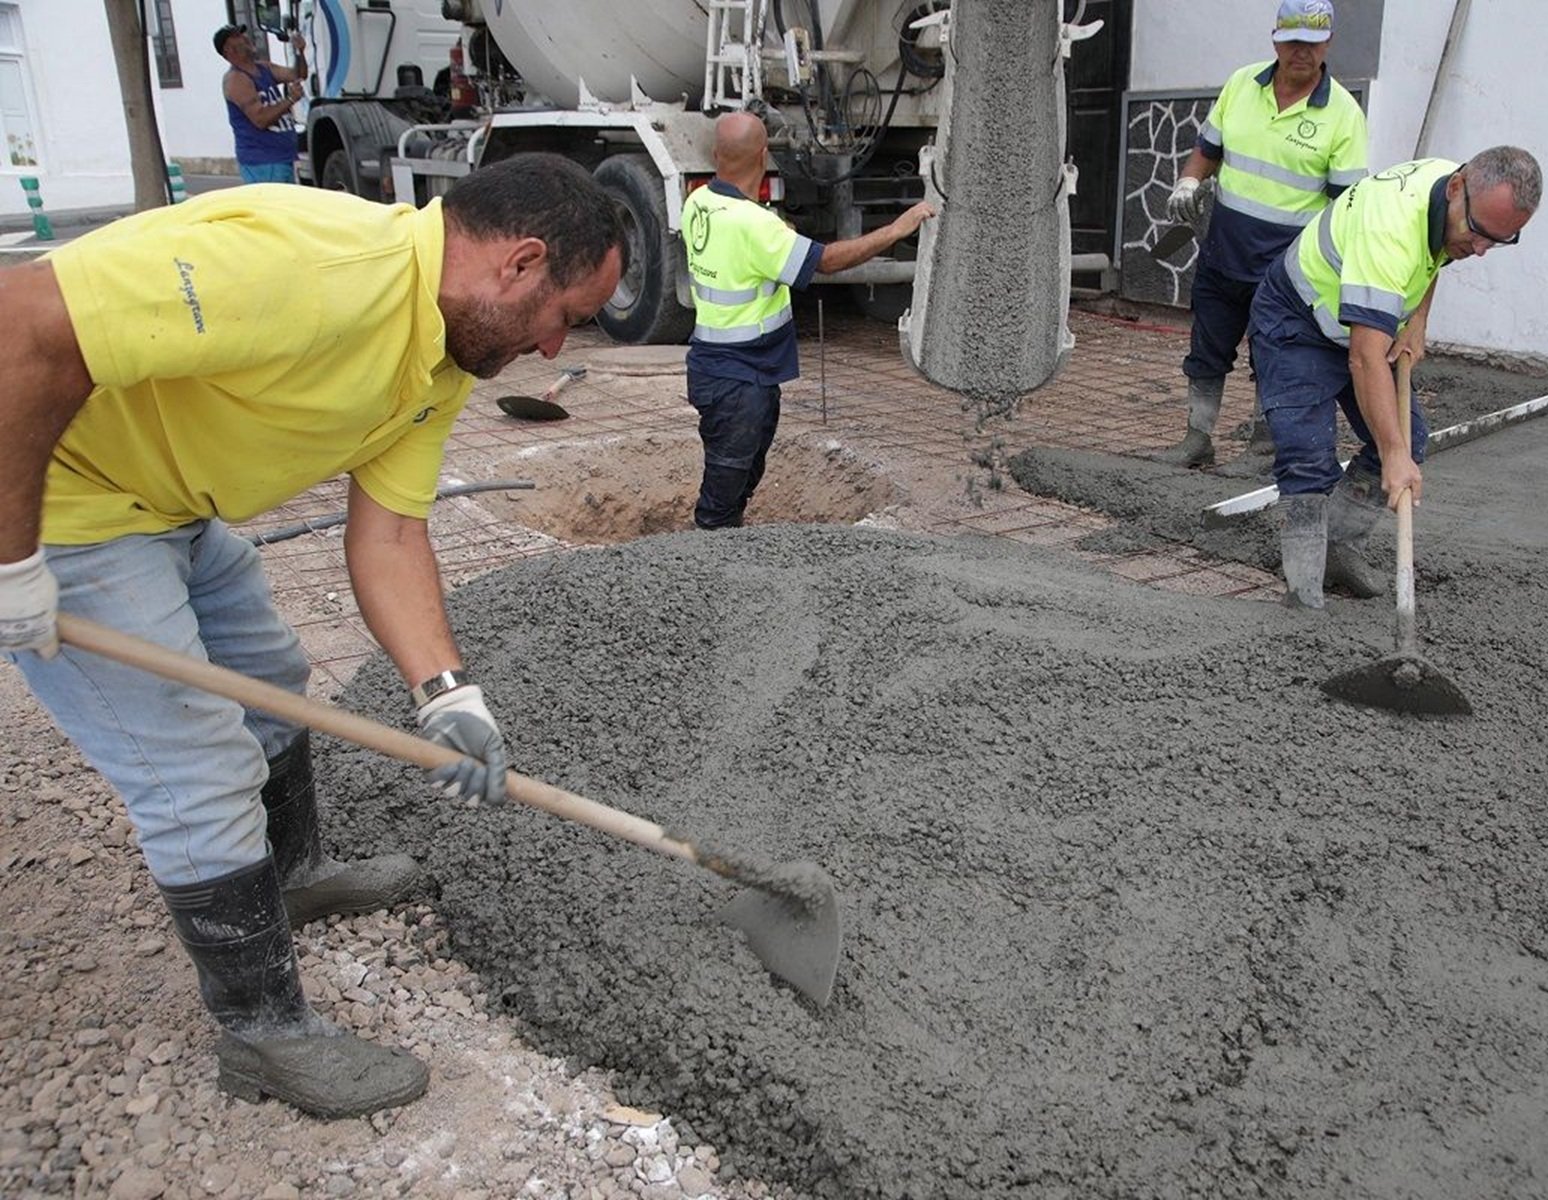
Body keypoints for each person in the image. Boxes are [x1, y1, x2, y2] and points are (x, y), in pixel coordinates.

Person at [0, 153, 625, 1118]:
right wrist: (13, 559)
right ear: (521, 263)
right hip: (64, 502)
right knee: (198, 769)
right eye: (567, 316)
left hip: (166, 498)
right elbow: (23, 319)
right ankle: (262, 1032)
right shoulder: (312, 271)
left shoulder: (441, 351)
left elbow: (390, 533)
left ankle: (289, 876)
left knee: (269, 674)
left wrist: (448, 694)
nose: (555, 350)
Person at [1247, 147, 1543, 608]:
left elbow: (1438, 254)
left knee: (1412, 437)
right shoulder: (1391, 228)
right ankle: (1303, 598)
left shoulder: (1453, 197)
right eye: (1481, 233)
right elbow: (1365, 359)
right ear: (1457, 189)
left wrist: (1418, 319)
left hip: (1360, 322)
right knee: (1307, 455)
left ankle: (1339, 549)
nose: (1482, 250)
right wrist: (1392, 456)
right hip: (1297, 321)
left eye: (1501, 240)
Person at [681, 111, 937, 529]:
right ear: (764, 156)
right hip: (739, 380)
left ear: (715, 155)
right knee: (723, 495)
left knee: (738, 478)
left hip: (719, 369)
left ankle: (723, 546)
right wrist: (895, 229)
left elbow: (742, 248)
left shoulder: (699, 203)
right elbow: (828, 262)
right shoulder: (756, 225)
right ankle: (711, 566)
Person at [1157, 0, 1367, 468]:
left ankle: (1263, 446)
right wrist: (1190, 180)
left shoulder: (1342, 115)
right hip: (1223, 251)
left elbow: (1346, 207)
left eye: (1312, 43)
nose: (1301, 52)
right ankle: (1197, 439)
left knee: (1272, 357)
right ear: (1275, 39)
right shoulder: (1241, 85)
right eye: (1293, 41)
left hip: (1285, 269)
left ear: (1328, 43)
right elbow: (1206, 150)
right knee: (1207, 349)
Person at [216, 23, 306, 184]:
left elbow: (298, 74)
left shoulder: (264, 68)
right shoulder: (236, 80)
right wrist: (290, 99)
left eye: (244, 34)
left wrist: (299, 51)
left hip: (281, 158)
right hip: (263, 163)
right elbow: (260, 120)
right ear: (229, 50)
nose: (246, 38)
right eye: (238, 37)